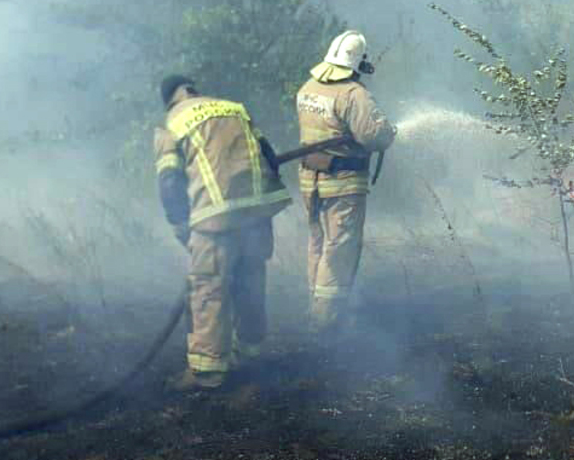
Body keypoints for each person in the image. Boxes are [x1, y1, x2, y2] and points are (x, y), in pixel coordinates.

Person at [154, 75, 294, 391]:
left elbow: (169, 181)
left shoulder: (171, 123)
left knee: (208, 289)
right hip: (257, 212)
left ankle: (206, 371)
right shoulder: (234, 109)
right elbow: (269, 155)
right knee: (250, 280)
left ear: (169, 100)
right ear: (193, 89)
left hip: (214, 218)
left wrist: (180, 225)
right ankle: (251, 352)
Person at [295, 31, 396, 338]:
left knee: (318, 244)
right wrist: (389, 131)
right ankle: (325, 322)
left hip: (310, 182)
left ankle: (316, 306)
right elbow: (374, 136)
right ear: (357, 61)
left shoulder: (308, 88)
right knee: (339, 250)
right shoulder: (354, 94)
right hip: (342, 184)